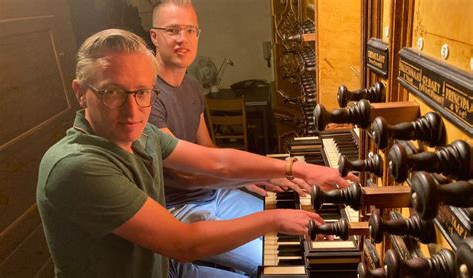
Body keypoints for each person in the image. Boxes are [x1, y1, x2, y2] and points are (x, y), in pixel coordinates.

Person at [36, 28, 356, 278]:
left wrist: (300, 169)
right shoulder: (77, 167)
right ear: (81, 93)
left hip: (168, 269)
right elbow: (184, 243)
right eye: (111, 93)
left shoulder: (140, 133)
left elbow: (218, 161)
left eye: (142, 92)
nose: (132, 109)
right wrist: (275, 218)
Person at [148, 2, 313, 276]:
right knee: (276, 263)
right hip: (178, 207)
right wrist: (251, 176)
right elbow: (184, 175)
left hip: (216, 194)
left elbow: (209, 149)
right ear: (154, 36)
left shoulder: (192, 86)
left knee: (294, 236)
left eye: (190, 30)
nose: (182, 39)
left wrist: (253, 177)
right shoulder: (148, 96)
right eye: (172, 30)